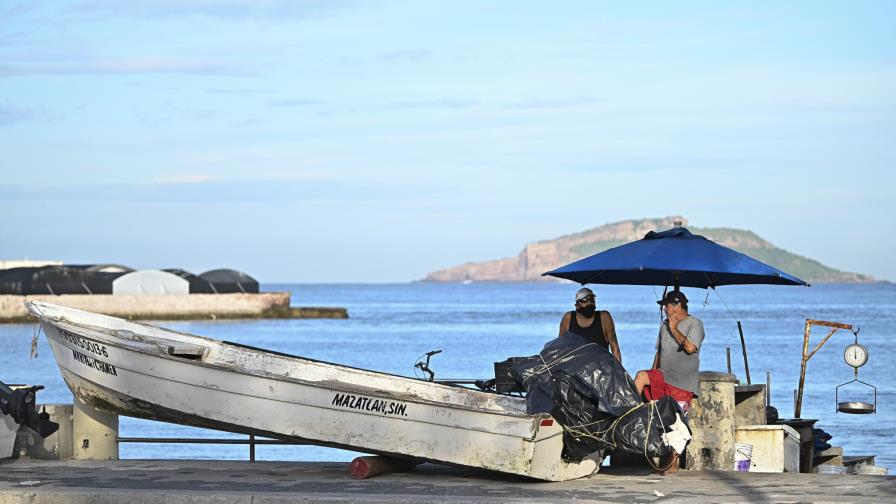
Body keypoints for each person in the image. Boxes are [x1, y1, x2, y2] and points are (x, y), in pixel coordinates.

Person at [633, 290, 704, 473]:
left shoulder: (695, 324)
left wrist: (674, 329)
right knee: (641, 376)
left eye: (667, 305)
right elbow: (659, 353)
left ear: (677, 305)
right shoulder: (664, 325)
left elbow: (689, 348)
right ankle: (629, 412)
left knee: (676, 424)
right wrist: (652, 372)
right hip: (663, 377)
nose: (664, 309)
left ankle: (672, 465)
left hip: (683, 384)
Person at [558, 287, 622, 364]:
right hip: (576, 369)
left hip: (602, 368)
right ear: (577, 305)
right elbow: (560, 347)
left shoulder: (604, 317)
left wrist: (618, 371)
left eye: (592, 300)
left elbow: (614, 347)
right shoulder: (568, 318)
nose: (589, 303)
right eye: (584, 301)